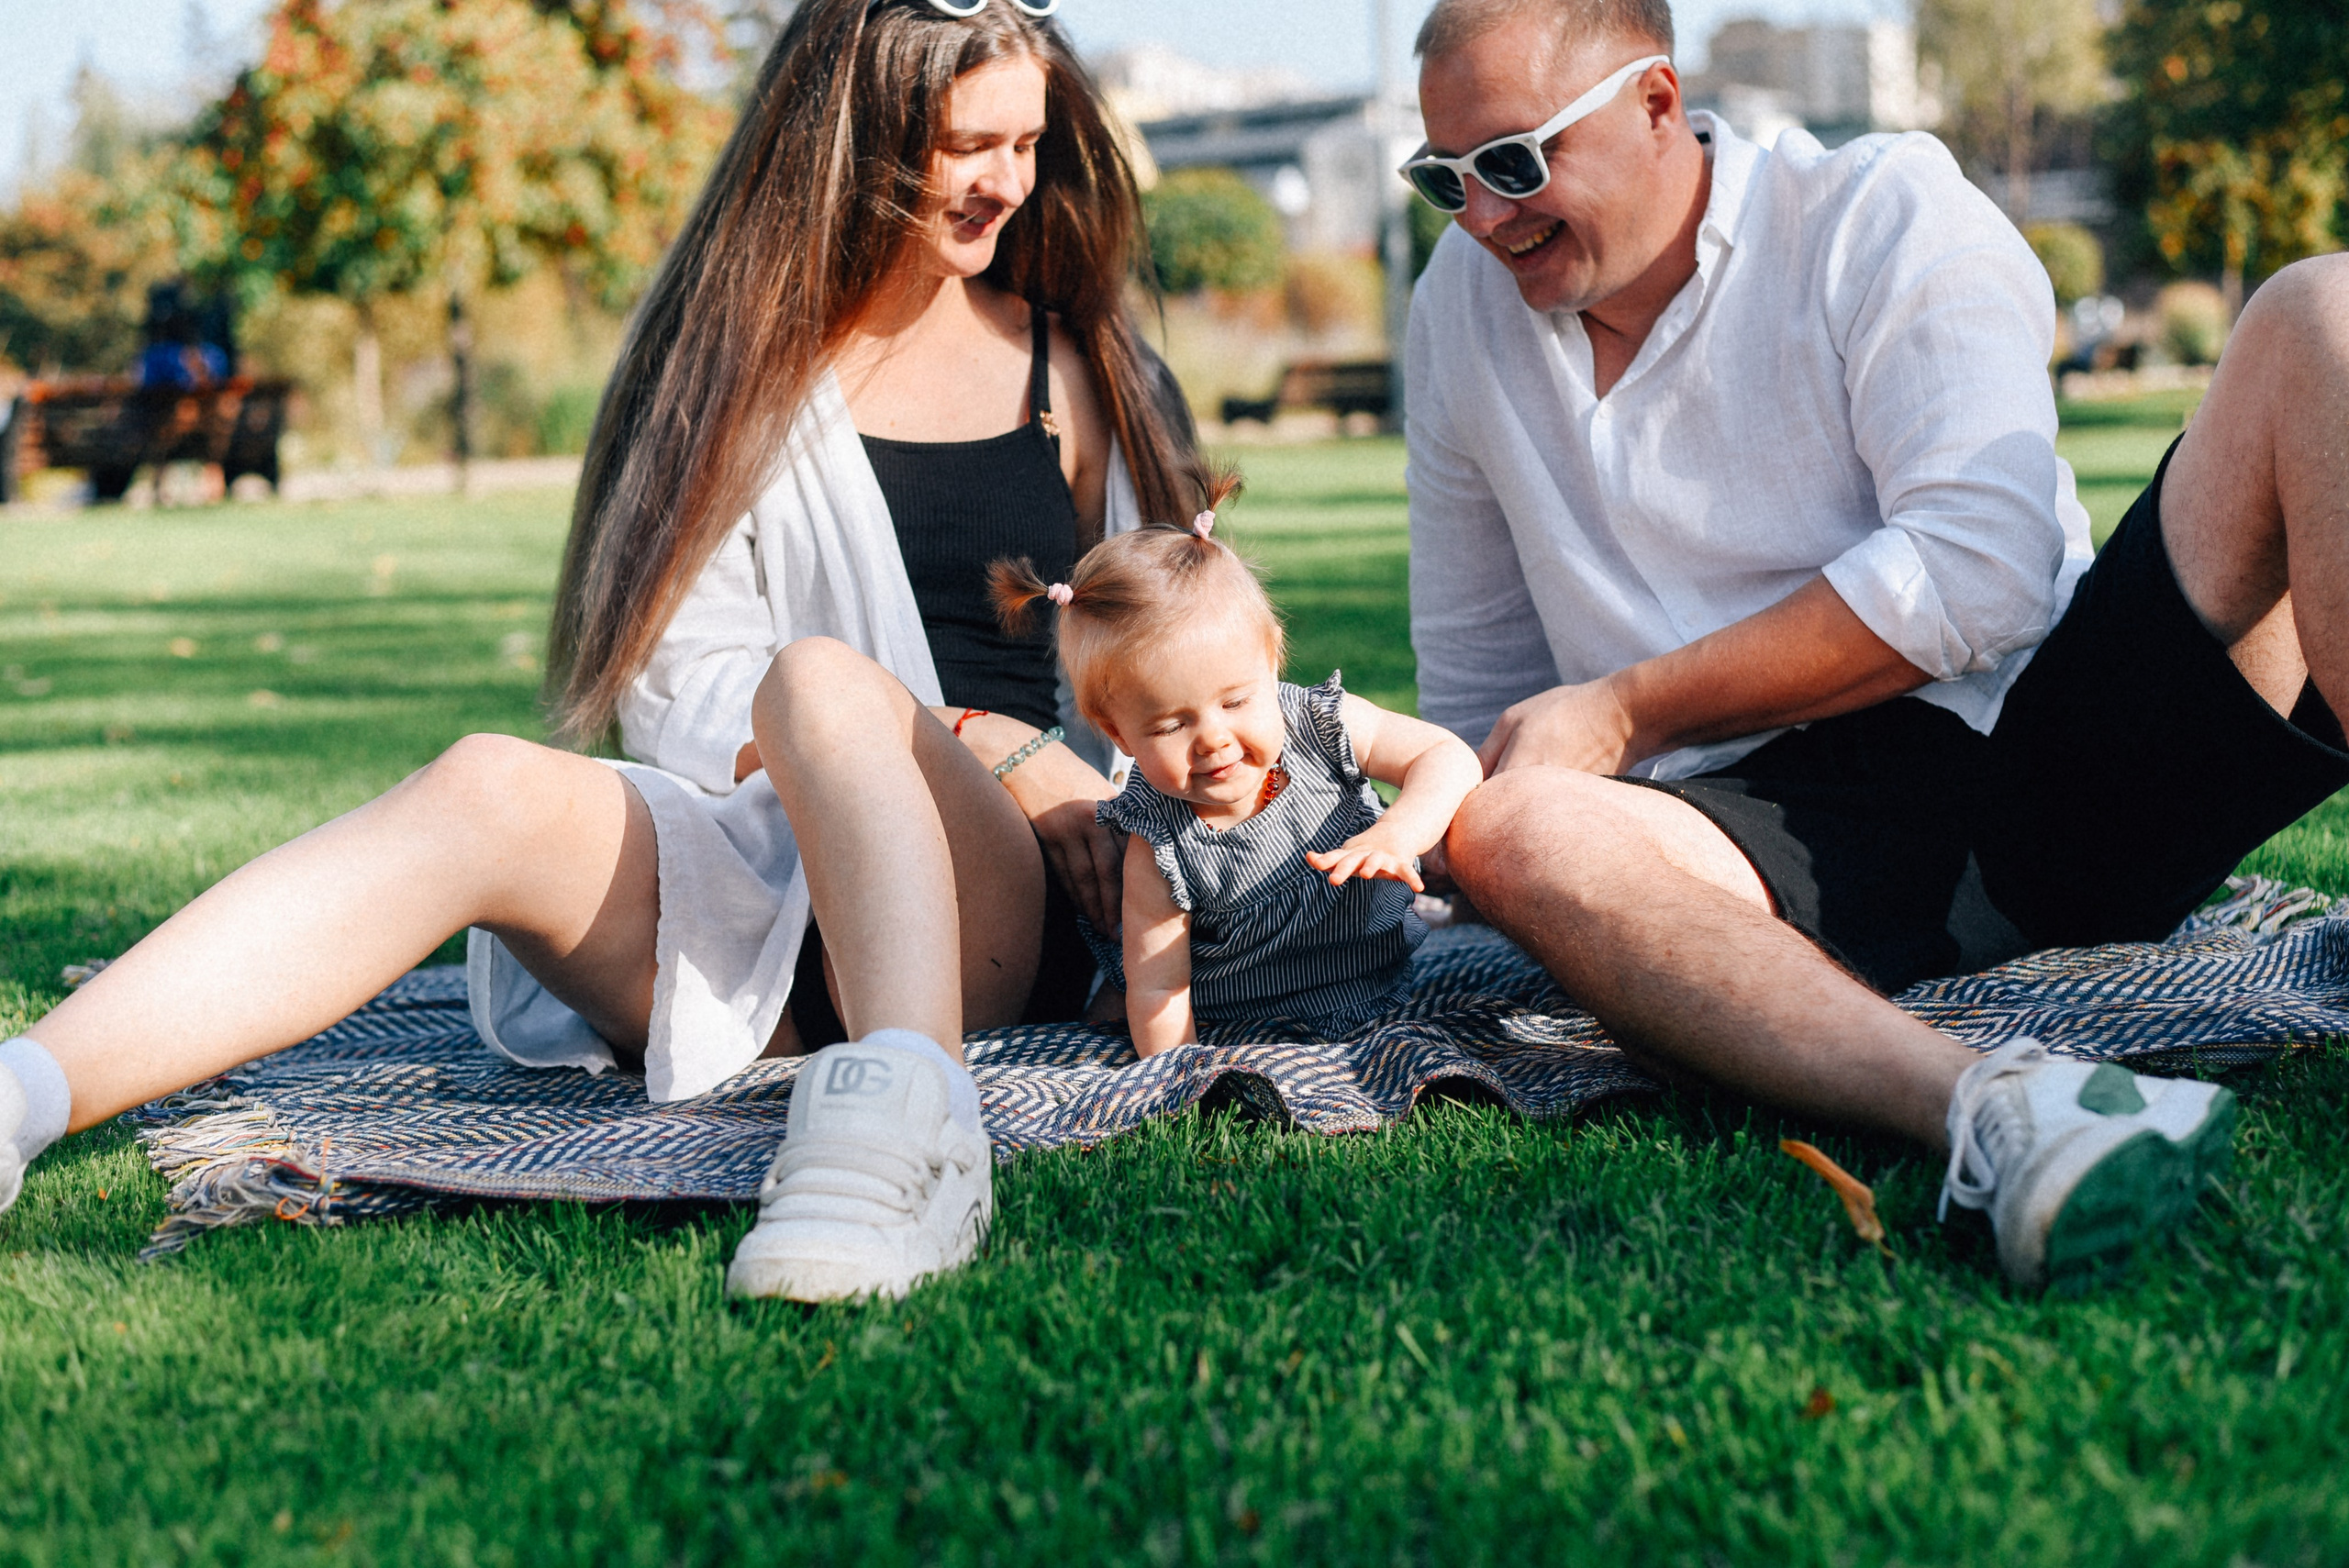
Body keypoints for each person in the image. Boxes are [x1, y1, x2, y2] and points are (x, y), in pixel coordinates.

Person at [0, 0, 1200, 1304]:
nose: (1007, 184)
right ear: (853, 139)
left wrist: (1071, 773)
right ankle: (25, 1094)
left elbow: (1187, 631)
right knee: (484, 783)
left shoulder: (1068, 367)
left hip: (1005, 902)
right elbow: (677, 689)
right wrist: (974, 729)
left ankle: (915, 1133)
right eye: (968, 147)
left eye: (1026, 143)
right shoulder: (734, 364)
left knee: (816, 679)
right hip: (768, 893)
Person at [1398, 0, 2349, 1289]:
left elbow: (1984, 565)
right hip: (1745, 843)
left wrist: (1630, 707)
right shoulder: (1457, 308)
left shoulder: (1874, 208)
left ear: (1659, 103)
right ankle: (2001, 1113)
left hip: (2052, 754)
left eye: (1515, 163)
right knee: (1509, 825)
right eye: (1443, 178)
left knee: (2322, 314)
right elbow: (1481, 699)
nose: (1484, 215)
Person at [989, 479, 1484, 1056]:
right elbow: (1160, 987)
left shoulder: (1319, 724)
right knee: (1118, 1010)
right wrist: (1182, 1077)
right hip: (1243, 1022)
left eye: (1235, 702)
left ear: (1272, 660)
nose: (1214, 741)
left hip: (1376, 987)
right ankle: (1102, 1016)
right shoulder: (1161, 840)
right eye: (1173, 726)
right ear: (1117, 732)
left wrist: (1400, 832)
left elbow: (1446, 756)